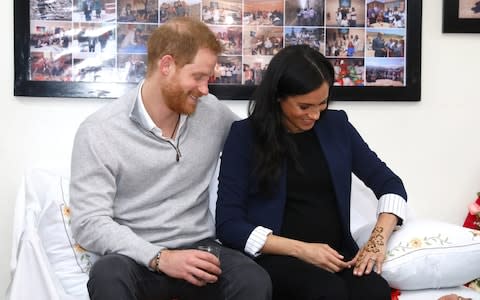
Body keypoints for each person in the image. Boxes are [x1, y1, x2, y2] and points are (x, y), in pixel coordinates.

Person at [70, 17, 271, 300]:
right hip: (135, 255)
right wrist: (159, 257)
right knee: (107, 275)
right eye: (198, 77)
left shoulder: (211, 113)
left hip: (201, 248)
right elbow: (87, 222)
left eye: (208, 79)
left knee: (252, 279)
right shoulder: (100, 131)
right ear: (167, 66)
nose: (205, 90)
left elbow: (261, 140)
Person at [216, 44, 407, 300]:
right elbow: (228, 224)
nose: (315, 115)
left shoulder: (337, 126)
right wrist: (302, 250)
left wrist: (377, 241)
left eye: (322, 103)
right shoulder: (245, 136)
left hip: (336, 255)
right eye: (304, 107)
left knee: (374, 291)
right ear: (277, 97)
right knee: (326, 292)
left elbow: (390, 184)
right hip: (277, 258)